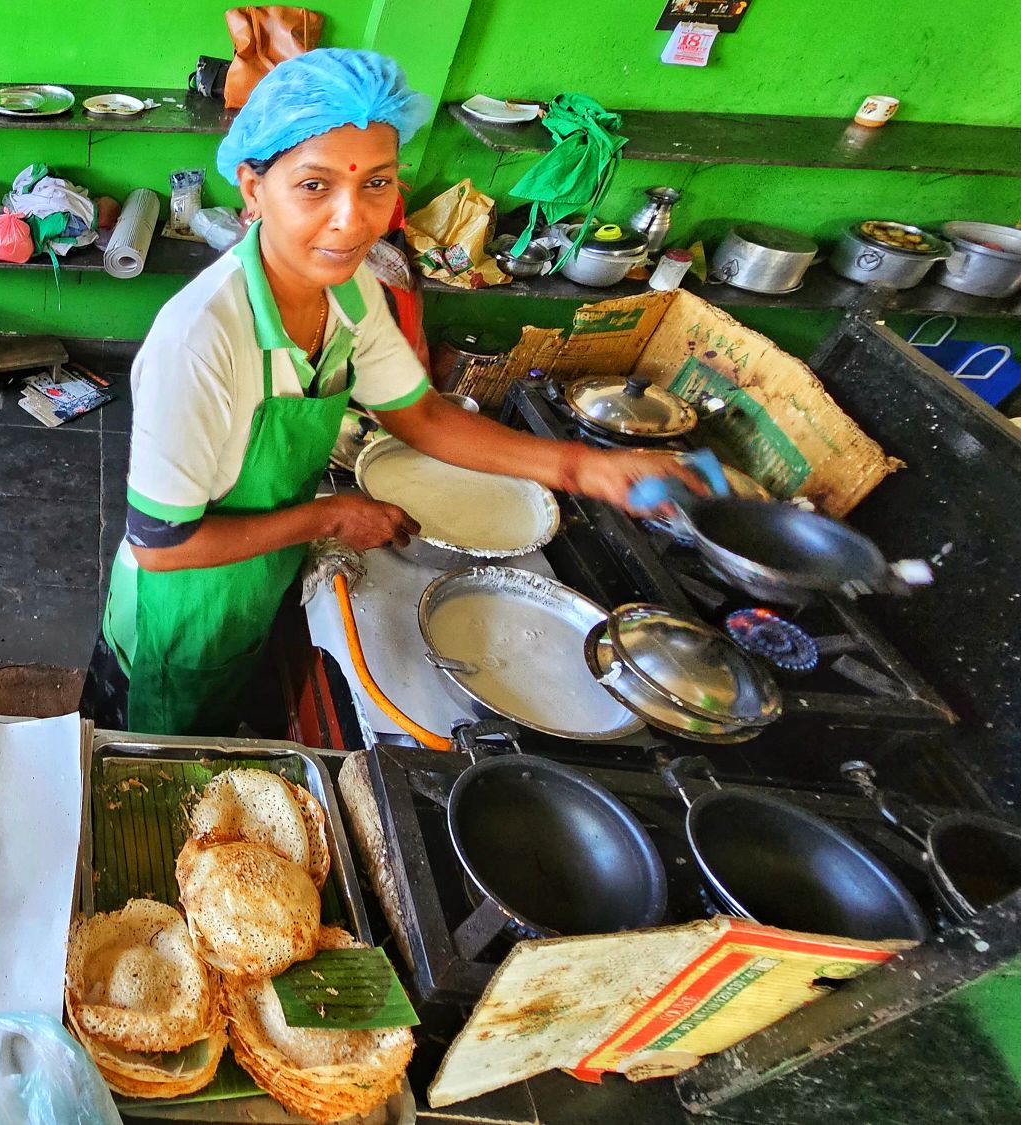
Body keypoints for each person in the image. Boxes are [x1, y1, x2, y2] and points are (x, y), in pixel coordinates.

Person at [83, 49, 699, 736]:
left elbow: (421, 414)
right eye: (315, 186)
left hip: (254, 584)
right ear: (253, 188)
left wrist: (584, 468)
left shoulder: (349, 291)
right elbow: (164, 544)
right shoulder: (199, 341)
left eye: (376, 184)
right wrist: (331, 517)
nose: (354, 220)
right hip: (176, 618)